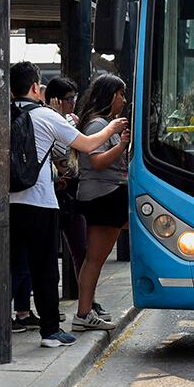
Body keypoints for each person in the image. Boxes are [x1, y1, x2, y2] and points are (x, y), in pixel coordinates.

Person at [9, 61, 128, 347]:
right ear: (36, 87)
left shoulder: (2, 114)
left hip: (7, 203)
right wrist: (112, 129)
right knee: (45, 268)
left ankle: (4, 323)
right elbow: (87, 146)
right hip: (39, 201)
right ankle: (50, 331)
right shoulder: (46, 116)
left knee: (10, 267)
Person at [73, 75, 131, 331]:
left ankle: (86, 309)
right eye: (121, 94)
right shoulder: (98, 125)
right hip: (105, 195)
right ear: (110, 95)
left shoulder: (102, 124)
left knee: (93, 258)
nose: (124, 100)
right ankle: (84, 312)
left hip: (106, 194)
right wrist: (123, 145)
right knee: (95, 259)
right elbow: (96, 161)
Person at [45, 77, 87, 282]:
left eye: (74, 98)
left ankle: (88, 298)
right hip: (50, 191)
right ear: (56, 100)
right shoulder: (45, 119)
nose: (73, 103)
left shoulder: (74, 120)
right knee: (48, 253)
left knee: (81, 249)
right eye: (69, 99)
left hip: (71, 190)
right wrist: (57, 118)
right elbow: (58, 151)